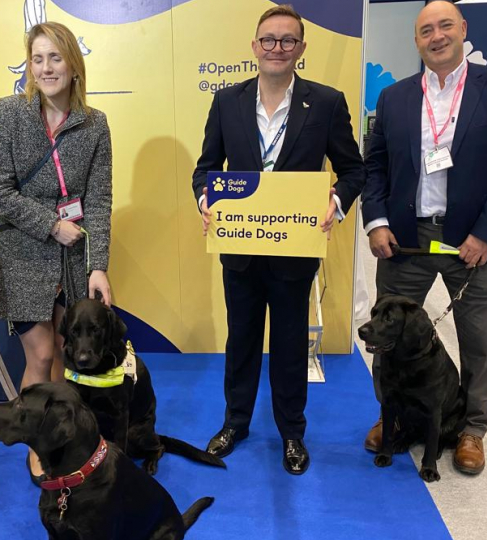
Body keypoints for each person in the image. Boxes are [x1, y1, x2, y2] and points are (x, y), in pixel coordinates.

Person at [361, 0, 487, 475]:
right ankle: (391, 418)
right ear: (415, 41)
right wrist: (376, 221)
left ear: (463, 30)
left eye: (444, 26)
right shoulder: (394, 97)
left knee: (479, 340)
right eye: (424, 31)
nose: (435, 37)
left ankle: (472, 429)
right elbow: (375, 165)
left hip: (473, 243)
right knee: (387, 335)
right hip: (405, 239)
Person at [192, 4, 365, 475]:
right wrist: (205, 199)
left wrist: (337, 202)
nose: (277, 48)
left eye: (288, 40)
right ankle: (236, 423)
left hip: (294, 252)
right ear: (254, 47)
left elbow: (353, 170)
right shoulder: (227, 102)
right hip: (241, 251)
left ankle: (292, 432)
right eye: (269, 39)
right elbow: (206, 169)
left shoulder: (326, 103)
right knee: (241, 341)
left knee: (290, 346)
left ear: (301, 49)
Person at [0, 21, 113, 485]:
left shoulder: (94, 123)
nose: (45, 68)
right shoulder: (11, 113)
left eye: (55, 58)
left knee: (62, 347)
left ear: (73, 64)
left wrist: (99, 266)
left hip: (73, 256)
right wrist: (49, 224)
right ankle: (35, 444)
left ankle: (58, 435)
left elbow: (98, 200)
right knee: (39, 354)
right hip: (22, 251)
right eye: (37, 59)